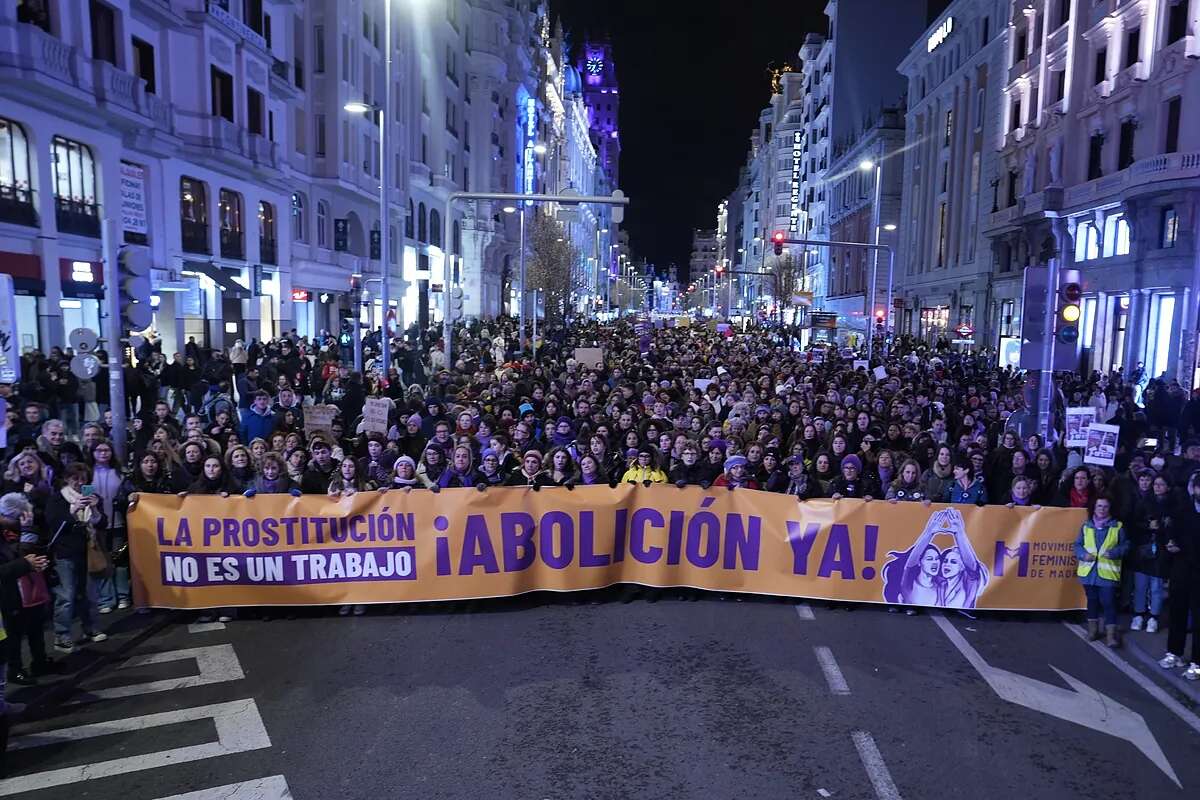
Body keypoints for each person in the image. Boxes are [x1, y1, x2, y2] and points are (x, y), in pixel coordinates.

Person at [45, 463, 108, 653]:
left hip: (88, 552)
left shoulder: (93, 498)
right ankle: (62, 636)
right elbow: (55, 523)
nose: (79, 483)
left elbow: (102, 522)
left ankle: (90, 628)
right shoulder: (58, 499)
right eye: (75, 479)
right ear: (67, 479)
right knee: (66, 596)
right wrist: (73, 511)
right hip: (65, 553)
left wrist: (95, 509)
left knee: (89, 594)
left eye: (83, 479)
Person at [1159, 471, 1200, 680]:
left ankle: (1197, 663)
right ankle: (1174, 653)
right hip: (1181, 569)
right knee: (1177, 612)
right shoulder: (1181, 510)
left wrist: (1182, 546)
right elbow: (1171, 533)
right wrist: (1171, 544)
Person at [1075, 496, 1128, 647]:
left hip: (1107, 573)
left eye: (1105, 506)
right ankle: (1093, 631)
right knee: (1092, 602)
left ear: (1109, 508)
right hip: (1089, 573)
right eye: (1099, 506)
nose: (1102, 509)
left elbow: (1126, 545)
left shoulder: (1117, 526)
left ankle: (1111, 635)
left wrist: (1115, 552)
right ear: (1095, 507)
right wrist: (1082, 555)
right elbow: (1077, 545)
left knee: (1108, 602)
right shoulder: (1086, 526)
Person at [1130, 474, 1173, 634]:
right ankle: (1138, 614)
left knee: (1156, 586)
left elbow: (1174, 527)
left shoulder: (1172, 505)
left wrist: (1161, 527)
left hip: (1161, 550)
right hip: (1143, 549)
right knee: (1140, 584)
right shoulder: (1144, 502)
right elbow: (1134, 523)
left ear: (1167, 487)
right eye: (1155, 484)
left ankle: (1154, 617)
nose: (1157, 487)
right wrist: (1148, 526)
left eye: (1161, 484)